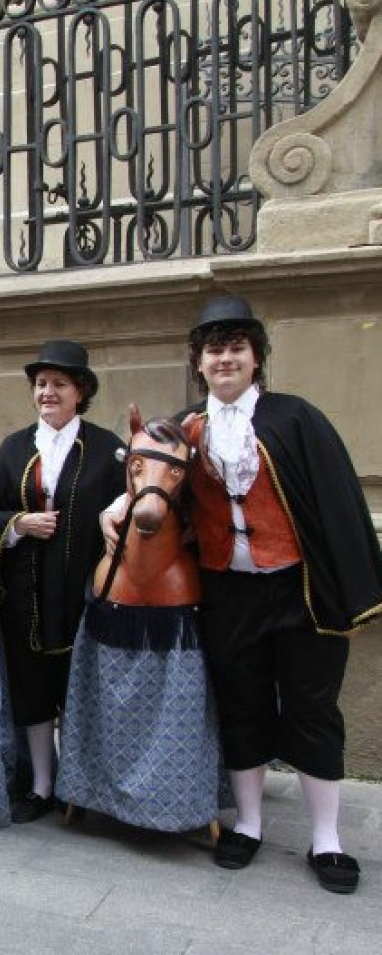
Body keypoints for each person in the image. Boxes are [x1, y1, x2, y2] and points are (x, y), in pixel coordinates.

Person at [153, 295, 381, 893]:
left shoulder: (295, 418)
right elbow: (148, 488)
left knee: (311, 709)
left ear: (256, 359)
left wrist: (350, 592)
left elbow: (336, 504)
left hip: (298, 590)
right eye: (213, 349)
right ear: (198, 363)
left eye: (236, 348)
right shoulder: (183, 429)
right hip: (226, 591)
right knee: (242, 704)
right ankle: (249, 826)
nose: (224, 358)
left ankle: (327, 840)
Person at [0, 340, 124, 823]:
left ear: (80, 391)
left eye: (59, 384)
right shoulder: (15, 447)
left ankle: (81, 787)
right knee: (33, 691)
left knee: (84, 692)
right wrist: (18, 525)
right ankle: (41, 786)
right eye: (41, 384)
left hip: (86, 594)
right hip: (26, 596)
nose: (47, 392)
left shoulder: (108, 450)